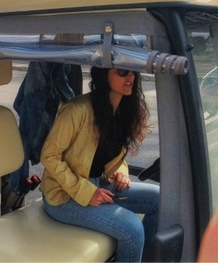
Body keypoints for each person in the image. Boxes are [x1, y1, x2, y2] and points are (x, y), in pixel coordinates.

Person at [40, 67, 159, 262]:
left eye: (133, 71)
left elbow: (109, 156)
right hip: (63, 195)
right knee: (132, 228)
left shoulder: (121, 111)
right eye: (122, 71)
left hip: (99, 184)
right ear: (104, 75)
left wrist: (121, 171)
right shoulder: (77, 110)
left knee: (158, 198)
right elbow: (49, 155)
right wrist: (86, 192)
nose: (131, 77)